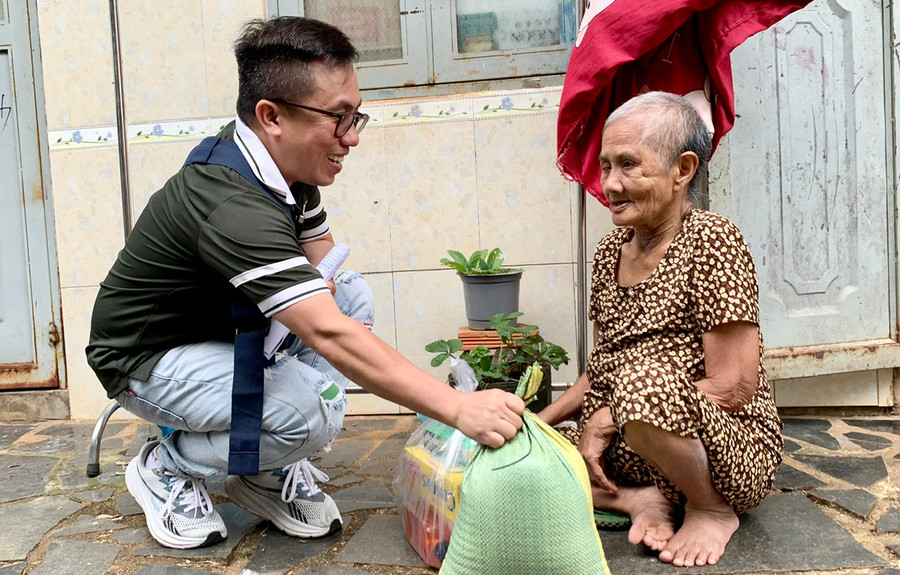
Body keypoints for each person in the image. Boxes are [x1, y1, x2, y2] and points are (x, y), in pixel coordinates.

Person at [86, 17, 524, 551]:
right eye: (338, 118)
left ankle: (262, 467)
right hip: (146, 358)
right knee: (311, 413)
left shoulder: (284, 172)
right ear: (271, 116)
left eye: (355, 115)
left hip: (222, 333)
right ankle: (169, 463)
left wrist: (326, 312)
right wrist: (456, 408)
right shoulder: (232, 203)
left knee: (353, 292)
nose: (353, 137)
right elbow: (328, 334)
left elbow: (327, 273)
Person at [537, 91, 782, 567]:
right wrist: (538, 423)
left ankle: (709, 509)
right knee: (525, 453)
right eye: (606, 166)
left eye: (629, 165)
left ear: (682, 170)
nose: (610, 184)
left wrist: (611, 415)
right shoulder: (610, 251)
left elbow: (735, 383)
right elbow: (602, 366)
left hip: (720, 450)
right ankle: (638, 499)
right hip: (630, 447)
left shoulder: (713, 241)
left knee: (637, 386)